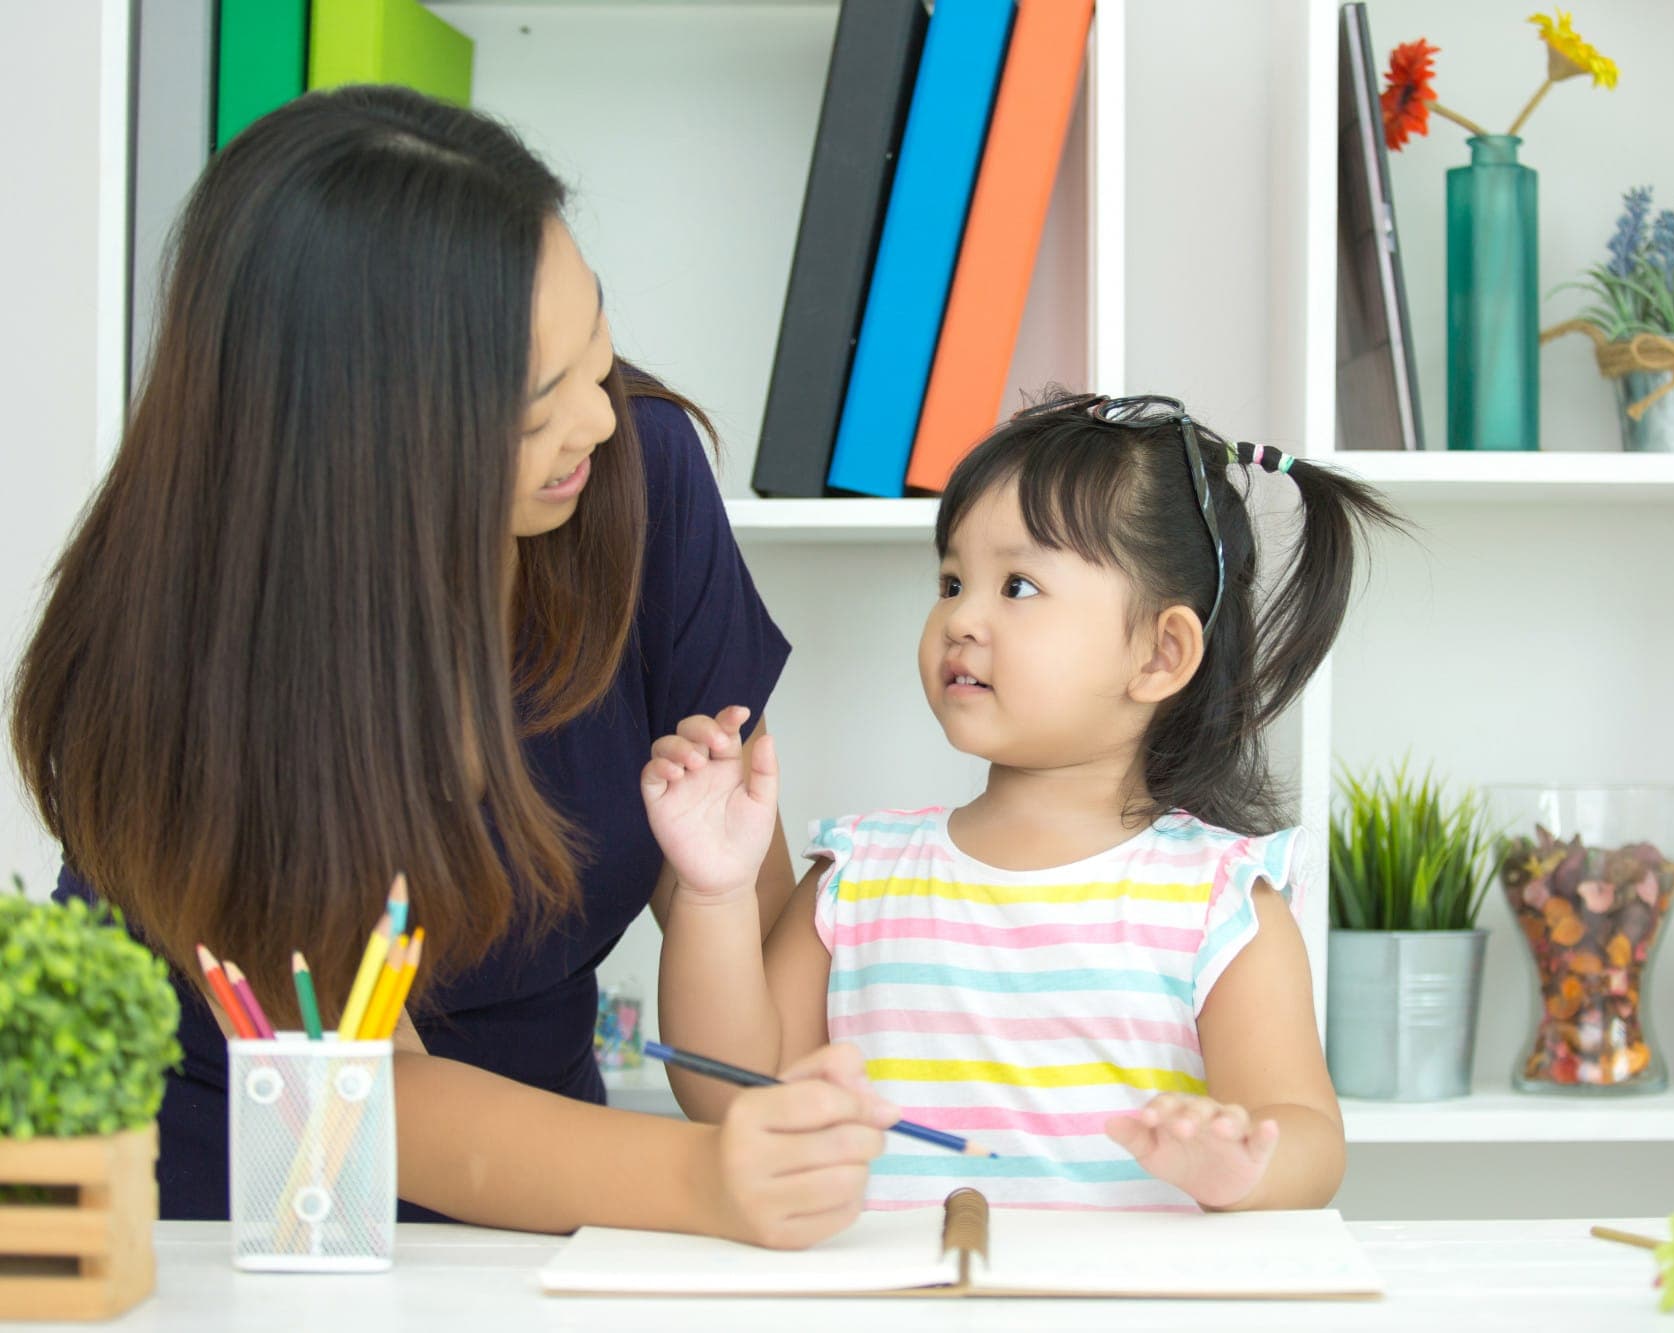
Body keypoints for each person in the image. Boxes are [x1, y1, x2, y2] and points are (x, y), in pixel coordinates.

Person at [10, 84, 893, 1248]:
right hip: (238, 1224)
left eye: (597, 342)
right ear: (369, 447)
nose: (596, 418)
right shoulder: (209, 660)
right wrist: (706, 1181)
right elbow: (371, 1092)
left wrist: (771, 1115)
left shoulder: (634, 478)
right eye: (536, 407)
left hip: (559, 1200)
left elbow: (735, 941)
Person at [645, 392, 1396, 1210]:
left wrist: (1242, 1165)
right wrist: (714, 893)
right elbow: (731, 1094)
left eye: (1019, 586)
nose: (961, 615)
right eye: (952, 578)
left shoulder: (1219, 903)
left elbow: (1311, 1141)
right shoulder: (857, 878)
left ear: (1160, 652)